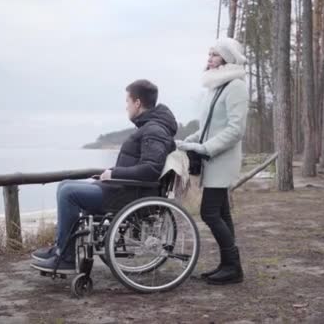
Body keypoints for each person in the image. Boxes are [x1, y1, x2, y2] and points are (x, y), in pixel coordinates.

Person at [31, 79, 178, 273]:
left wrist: (114, 173)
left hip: (129, 196)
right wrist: (108, 174)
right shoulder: (149, 127)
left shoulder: (154, 130)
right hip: (124, 189)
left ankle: (65, 258)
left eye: (127, 101)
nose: (126, 107)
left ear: (137, 103)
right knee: (65, 184)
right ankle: (61, 248)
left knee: (68, 192)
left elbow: (150, 170)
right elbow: (138, 164)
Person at [176, 37, 249, 285]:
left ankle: (234, 267)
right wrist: (188, 141)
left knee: (209, 212)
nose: (209, 59)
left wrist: (205, 148)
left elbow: (236, 129)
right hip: (212, 157)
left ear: (227, 59)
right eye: (208, 54)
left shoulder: (236, 86)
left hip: (222, 159)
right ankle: (229, 265)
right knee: (221, 212)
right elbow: (208, 127)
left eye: (214, 55)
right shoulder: (216, 87)